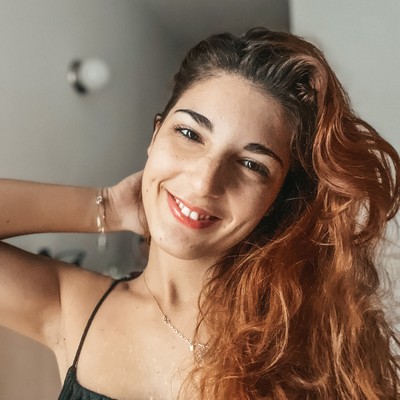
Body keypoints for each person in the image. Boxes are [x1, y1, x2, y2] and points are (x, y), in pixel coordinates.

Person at [0, 27, 399, 400]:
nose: (205, 182)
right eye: (190, 134)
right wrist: (107, 206)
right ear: (155, 135)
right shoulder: (71, 306)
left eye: (252, 165)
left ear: (277, 198)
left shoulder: (307, 351)